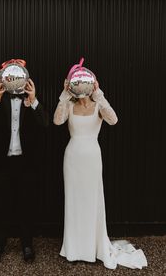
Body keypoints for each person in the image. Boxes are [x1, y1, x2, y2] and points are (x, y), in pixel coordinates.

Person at [53, 77, 147, 269]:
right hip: (72, 157)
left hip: (93, 158)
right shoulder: (69, 105)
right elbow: (57, 121)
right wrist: (64, 95)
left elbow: (113, 120)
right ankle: (74, 248)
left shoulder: (98, 106)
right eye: (76, 83)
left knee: (92, 199)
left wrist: (99, 94)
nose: (81, 87)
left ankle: (93, 247)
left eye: (84, 83)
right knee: (74, 200)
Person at [0, 59, 49, 263]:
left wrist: (34, 99)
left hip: (26, 164)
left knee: (26, 206)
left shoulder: (31, 100)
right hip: (2, 164)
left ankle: (27, 246)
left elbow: (45, 123)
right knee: (0, 206)